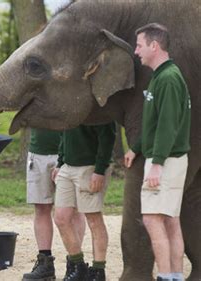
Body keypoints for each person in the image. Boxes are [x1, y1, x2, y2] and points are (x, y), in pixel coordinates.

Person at [124, 23, 191, 281]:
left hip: (166, 160)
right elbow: (155, 121)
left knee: (153, 220)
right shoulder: (162, 76)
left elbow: (168, 124)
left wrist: (157, 163)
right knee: (170, 221)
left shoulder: (169, 78)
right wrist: (136, 148)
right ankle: (173, 276)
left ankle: (165, 276)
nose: (136, 51)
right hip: (169, 159)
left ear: (154, 45)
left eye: (139, 45)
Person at [53, 123, 115, 281]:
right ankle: (78, 266)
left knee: (93, 219)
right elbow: (64, 133)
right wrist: (60, 162)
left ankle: (98, 270)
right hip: (67, 166)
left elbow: (107, 137)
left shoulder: (98, 107)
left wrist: (100, 170)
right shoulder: (69, 103)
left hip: (90, 167)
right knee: (61, 218)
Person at [23, 128, 85, 281]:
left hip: (71, 151)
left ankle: (75, 263)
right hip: (39, 151)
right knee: (41, 207)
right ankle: (45, 263)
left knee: (75, 209)